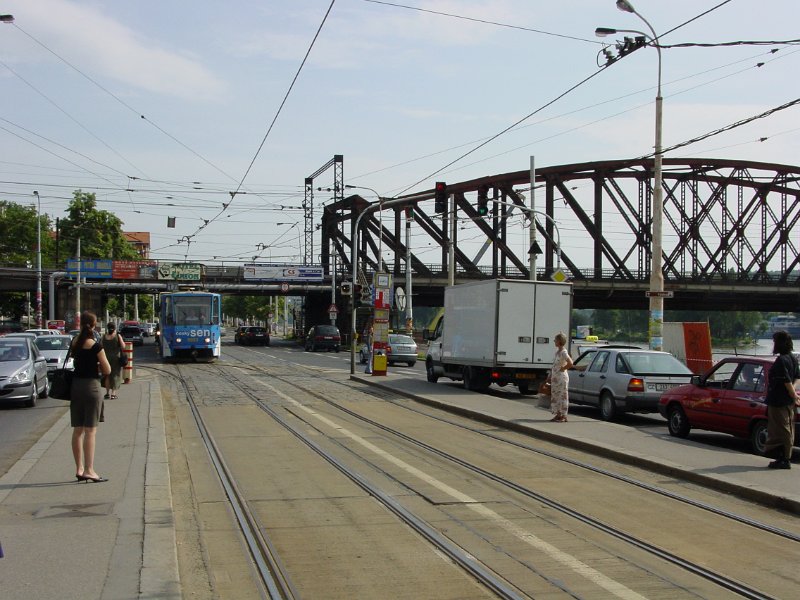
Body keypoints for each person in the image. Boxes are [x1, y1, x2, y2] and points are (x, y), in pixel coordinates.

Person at [70, 311, 112, 483]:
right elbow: (108, 370)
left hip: (76, 387)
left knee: (77, 430)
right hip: (91, 387)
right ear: (94, 326)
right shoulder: (95, 345)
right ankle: (89, 470)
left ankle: (79, 469)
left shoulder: (74, 342)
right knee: (90, 431)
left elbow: (76, 360)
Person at [763, 330, 800, 469]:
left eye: (774, 341)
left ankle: (784, 458)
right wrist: (793, 394)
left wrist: (792, 393)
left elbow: (786, 380)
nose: (773, 344)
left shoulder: (782, 360)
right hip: (787, 401)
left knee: (781, 429)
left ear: (779, 343)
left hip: (778, 401)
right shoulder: (792, 358)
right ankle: (783, 457)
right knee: (787, 427)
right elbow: (796, 377)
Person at [549, 332, 573, 422]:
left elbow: (570, 363)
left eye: (555, 340)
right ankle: (558, 414)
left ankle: (563, 415)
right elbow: (554, 365)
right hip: (555, 378)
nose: (554, 341)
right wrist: (550, 376)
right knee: (556, 396)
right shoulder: (557, 352)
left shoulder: (563, 352)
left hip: (561, 378)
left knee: (562, 396)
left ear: (559, 341)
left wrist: (564, 368)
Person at [102, 322, 125, 400]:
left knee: (107, 375)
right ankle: (113, 394)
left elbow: (100, 346)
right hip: (115, 358)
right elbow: (123, 346)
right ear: (115, 328)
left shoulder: (104, 336)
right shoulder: (117, 336)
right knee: (115, 375)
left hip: (106, 358)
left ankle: (107, 393)